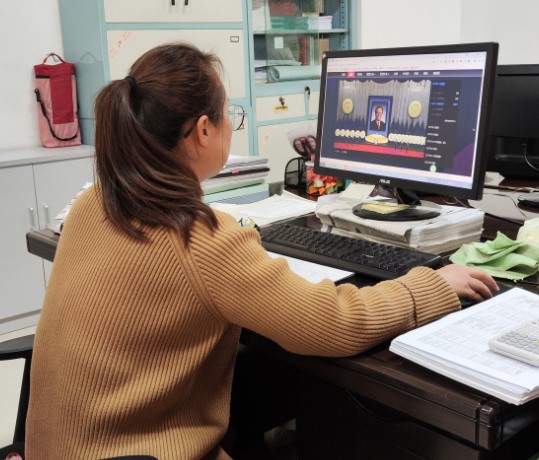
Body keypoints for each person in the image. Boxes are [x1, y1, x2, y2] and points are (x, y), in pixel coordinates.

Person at [25, 42, 498, 460]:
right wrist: (431, 285)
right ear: (203, 130)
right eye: (229, 113)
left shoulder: (94, 202)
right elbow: (333, 324)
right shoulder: (200, 239)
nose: (232, 125)